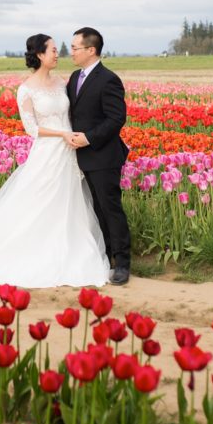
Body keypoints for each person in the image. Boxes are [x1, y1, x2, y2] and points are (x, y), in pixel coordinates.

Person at [0, 34, 109, 288]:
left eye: (59, 50)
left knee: (69, 201)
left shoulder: (62, 82)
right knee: (41, 200)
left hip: (70, 151)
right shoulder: (26, 89)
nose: (58, 54)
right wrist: (62, 134)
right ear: (39, 55)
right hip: (48, 151)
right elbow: (32, 128)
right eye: (53, 50)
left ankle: (71, 248)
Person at [67, 27, 132, 285]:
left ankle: (123, 263)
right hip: (80, 157)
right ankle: (103, 257)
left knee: (110, 208)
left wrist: (89, 137)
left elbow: (117, 118)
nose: (70, 52)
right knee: (95, 209)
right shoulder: (74, 78)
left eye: (75, 48)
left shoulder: (109, 80)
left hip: (103, 156)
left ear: (90, 50)